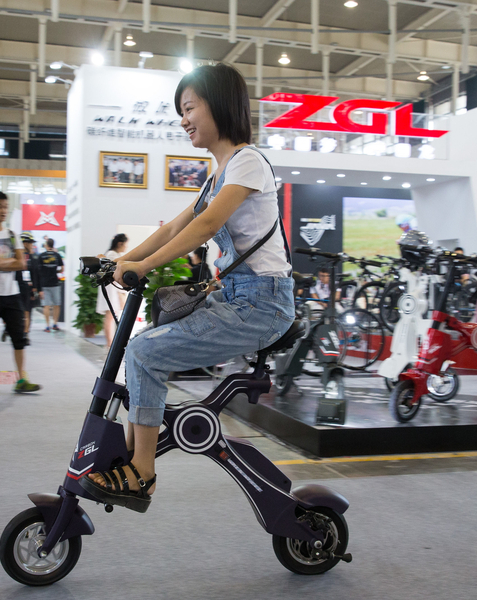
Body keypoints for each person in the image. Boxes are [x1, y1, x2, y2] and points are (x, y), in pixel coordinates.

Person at [80, 64, 293, 512]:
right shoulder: (217, 176)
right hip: (237, 298)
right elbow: (178, 225)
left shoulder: (247, 161)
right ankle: (141, 456)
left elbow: (208, 225)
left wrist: (144, 266)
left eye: (190, 107)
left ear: (219, 105)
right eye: (182, 111)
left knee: (143, 354)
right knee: (143, 347)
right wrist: (121, 261)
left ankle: (141, 474)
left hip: (262, 305)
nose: (184, 120)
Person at [0, 191, 41, 394]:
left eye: (5, 206)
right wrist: (7, 263)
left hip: (11, 294)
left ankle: (21, 378)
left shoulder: (13, 235)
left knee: (19, 337)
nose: (2, 210)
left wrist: (1, 263)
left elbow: (21, 263)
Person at [96, 233, 129, 347]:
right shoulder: (112, 255)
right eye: (125, 244)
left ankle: (111, 342)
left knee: (111, 315)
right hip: (111, 290)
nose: (126, 247)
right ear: (120, 244)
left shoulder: (113, 254)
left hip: (113, 290)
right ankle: (109, 343)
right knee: (110, 316)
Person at [15, 231, 41, 345]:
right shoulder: (16, 256)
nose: (32, 245)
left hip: (28, 288)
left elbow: (36, 273)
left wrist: (37, 288)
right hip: (16, 287)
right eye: (30, 243)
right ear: (24, 243)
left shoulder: (33, 257)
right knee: (16, 312)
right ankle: (12, 330)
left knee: (27, 311)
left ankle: (25, 334)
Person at [39, 238, 64, 332]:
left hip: (44, 283)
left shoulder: (41, 256)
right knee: (57, 304)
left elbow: (39, 271)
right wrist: (55, 271)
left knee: (46, 305)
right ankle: (55, 324)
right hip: (55, 283)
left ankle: (47, 325)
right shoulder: (57, 255)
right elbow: (62, 269)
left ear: (46, 245)